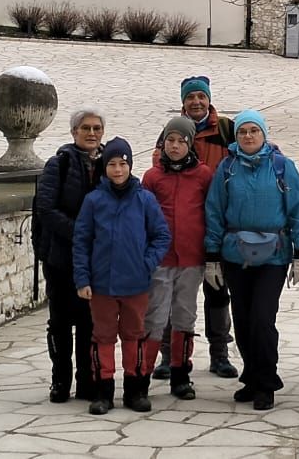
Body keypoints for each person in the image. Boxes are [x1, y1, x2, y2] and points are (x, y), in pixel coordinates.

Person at [202, 109, 299, 410]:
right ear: (236, 136)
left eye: (254, 131)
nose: (248, 136)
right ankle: (251, 376)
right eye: (242, 132)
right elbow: (214, 211)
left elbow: (298, 209)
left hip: (273, 255)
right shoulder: (227, 169)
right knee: (243, 319)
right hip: (235, 254)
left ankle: (266, 382)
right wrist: (212, 257)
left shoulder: (282, 167)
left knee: (262, 319)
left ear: (263, 134)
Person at [73, 136, 171, 415]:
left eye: (122, 164)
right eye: (112, 164)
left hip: (135, 283)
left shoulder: (144, 200)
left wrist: (146, 263)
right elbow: (82, 241)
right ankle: (103, 390)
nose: (118, 170)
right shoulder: (94, 201)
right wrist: (83, 278)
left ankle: (135, 389)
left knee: (134, 336)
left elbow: (161, 236)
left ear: (130, 166)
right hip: (101, 284)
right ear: (105, 168)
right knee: (103, 337)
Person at [155, 76, 238, 380]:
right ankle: (169, 356)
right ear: (183, 101)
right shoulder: (172, 130)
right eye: (191, 97)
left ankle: (220, 353)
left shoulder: (226, 129)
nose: (196, 102)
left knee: (217, 292)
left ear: (209, 99)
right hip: (180, 230)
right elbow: (159, 169)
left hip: (217, 226)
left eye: (201, 96)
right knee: (172, 295)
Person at [32, 108, 108, 404]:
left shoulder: (109, 162)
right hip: (60, 257)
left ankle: (87, 380)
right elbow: (46, 208)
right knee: (60, 322)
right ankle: (60, 379)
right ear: (74, 132)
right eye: (85, 128)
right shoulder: (59, 164)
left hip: (94, 259)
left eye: (96, 128)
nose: (91, 133)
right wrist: (80, 232)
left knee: (90, 322)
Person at [140, 116, 215, 399]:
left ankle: (181, 374)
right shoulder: (152, 177)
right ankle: (142, 375)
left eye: (180, 141)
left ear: (190, 144)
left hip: (192, 257)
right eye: (169, 140)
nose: (174, 146)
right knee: (155, 317)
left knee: (185, 316)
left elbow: (211, 212)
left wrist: (211, 251)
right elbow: (143, 216)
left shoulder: (203, 175)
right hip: (160, 258)